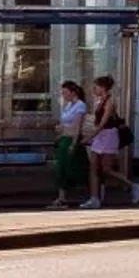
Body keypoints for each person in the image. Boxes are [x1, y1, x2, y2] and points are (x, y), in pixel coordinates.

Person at [86, 73, 139, 207]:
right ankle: (94, 198)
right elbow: (97, 121)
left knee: (106, 169)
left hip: (108, 136)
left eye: (96, 87)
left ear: (103, 88)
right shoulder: (99, 102)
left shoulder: (110, 102)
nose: (94, 90)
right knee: (93, 167)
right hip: (100, 136)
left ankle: (133, 186)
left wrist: (90, 136)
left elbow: (103, 123)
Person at [48, 80, 90, 209]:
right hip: (64, 138)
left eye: (65, 92)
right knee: (61, 168)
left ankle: (91, 193)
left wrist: (74, 143)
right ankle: (62, 197)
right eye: (62, 93)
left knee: (75, 168)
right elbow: (65, 123)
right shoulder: (68, 105)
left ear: (73, 92)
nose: (64, 95)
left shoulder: (80, 106)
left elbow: (77, 126)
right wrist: (60, 133)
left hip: (72, 139)